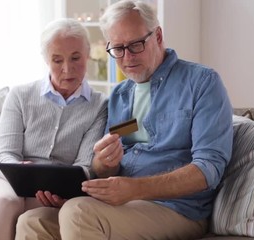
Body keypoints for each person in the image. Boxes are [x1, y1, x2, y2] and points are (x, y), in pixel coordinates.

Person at [15, 1, 233, 239]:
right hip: (121, 205)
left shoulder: (201, 83)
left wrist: (134, 189)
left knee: (78, 213)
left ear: (158, 36)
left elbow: (209, 168)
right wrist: (104, 163)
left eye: (135, 45)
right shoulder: (120, 95)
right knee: (32, 221)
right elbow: (106, 168)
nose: (127, 57)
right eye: (118, 49)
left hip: (176, 209)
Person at [0, 18, 108, 240]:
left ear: (88, 55)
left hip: (54, 195)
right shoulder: (20, 95)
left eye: (76, 58)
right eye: (57, 60)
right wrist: (21, 174)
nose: (67, 69)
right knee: (6, 202)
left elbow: (85, 167)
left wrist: (61, 191)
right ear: (46, 59)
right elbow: (5, 155)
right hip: (3, 185)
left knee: (24, 213)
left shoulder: (100, 105)